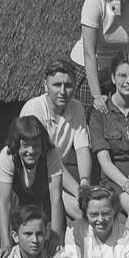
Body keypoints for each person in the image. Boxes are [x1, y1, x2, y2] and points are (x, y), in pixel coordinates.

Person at [0, 115, 65, 258]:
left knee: (47, 250)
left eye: (36, 145)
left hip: (42, 203)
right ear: (17, 145)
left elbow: (56, 197)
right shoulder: (7, 155)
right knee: (6, 252)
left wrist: (56, 236)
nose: (31, 151)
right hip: (13, 203)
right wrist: (6, 241)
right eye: (25, 146)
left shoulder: (52, 154)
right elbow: (5, 201)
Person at [19, 60, 93, 221]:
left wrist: (85, 181)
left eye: (68, 85)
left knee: (90, 214)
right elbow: (48, 159)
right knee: (82, 214)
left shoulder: (77, 107)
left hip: (56, 180)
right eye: (57, 85)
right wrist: (78, 192)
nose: (63, 91)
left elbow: (82, 149)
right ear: (45, 85)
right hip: (30, 182)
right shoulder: (34, 108)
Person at [88, 53, 129, 217]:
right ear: (113, 78)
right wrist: (127, 185)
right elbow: (105, 162)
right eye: (122, 75)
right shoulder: (100, 113)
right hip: (115, 181)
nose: (128, 81)